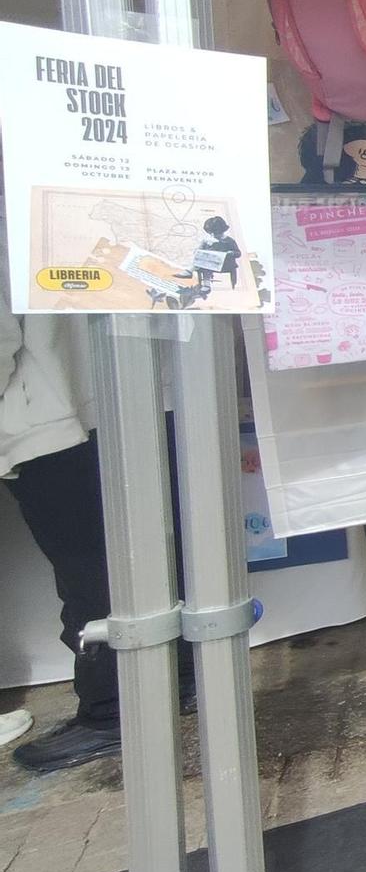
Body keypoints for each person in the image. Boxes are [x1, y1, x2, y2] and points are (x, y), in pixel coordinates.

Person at [0, 217, 195, 772]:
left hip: (52, 414)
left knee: (89, 571)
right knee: (163, 546)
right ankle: (178, 681)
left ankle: (112, 711)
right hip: (152, 385)